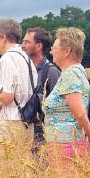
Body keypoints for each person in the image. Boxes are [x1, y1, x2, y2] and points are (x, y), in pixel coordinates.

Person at [43, 27, 90, 165]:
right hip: (68, 144)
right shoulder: (78, 71)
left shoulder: (70, 75)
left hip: (66, 146)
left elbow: (80, 114)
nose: (51, 51)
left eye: (54, 48)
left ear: (67, 51)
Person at [0, 19, 37, 147]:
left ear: (3, 37)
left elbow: (7, 98)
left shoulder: (7, 59)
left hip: (11, 122)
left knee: (7, 165)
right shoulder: (26, 57)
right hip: (28, 122)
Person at [21, 27, 61, 155]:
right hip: (25, 130)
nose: (22, 45)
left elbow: (59, 106)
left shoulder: (51, 72)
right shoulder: (23, 70)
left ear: (38, 46)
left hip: (42, 133)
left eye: (27, 42)